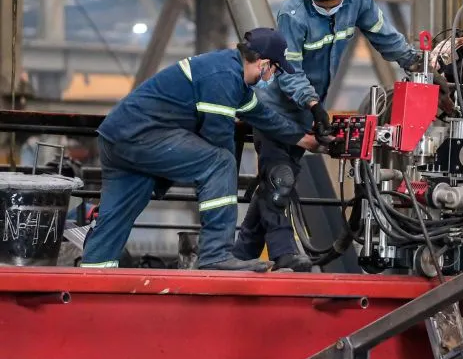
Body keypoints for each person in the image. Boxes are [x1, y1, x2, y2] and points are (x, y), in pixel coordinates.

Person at [231, 0, 449, 272]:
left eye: (334, 4)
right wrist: (313, 105)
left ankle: (241, 255)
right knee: (279, 178)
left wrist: (417, 63)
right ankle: (283, 253)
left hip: (311, 104)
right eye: (322, 6)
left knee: (276, 182)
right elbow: (288, 70)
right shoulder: (292, 14)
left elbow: (383, 36)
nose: (329, 10)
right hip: (277, 106)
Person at [80, 28, 320, 272]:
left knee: (115, 217)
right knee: (221, 162)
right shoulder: (224, 77)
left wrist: (305, 139)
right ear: (264, 64)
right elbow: (218, 137)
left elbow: (263, 116)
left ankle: (91, 278)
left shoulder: (228, 72)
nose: (273, 76)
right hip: (142, 137)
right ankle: (216, 254)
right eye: (276, 70)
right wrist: (224, 178)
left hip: (117, 137)